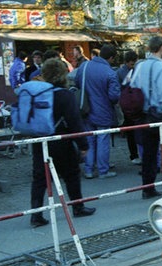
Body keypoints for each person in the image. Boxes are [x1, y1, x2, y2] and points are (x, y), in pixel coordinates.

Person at [29, 58, 96, 227]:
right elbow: (74, 121)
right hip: (60, 141)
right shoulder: (64, 94)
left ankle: (35, 215)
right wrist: (83, 145)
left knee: (40, 179)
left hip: (39, 140)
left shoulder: (37, 92)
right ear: (62, 74)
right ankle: (77, 207)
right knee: (72, 174)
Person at [130, 35, 162, 199]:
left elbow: (133, 86)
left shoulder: (140, 66)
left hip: (142, 114)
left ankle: (147, 186)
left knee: (148, 153)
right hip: (158, 114)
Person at [75, 44, 121, 180]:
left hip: (85, 110)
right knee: (103, 140)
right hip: (103, 111)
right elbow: (114, 96)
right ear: (111, 57)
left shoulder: (84, 66)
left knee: (89, 139)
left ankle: (88, 169)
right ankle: (103, 170)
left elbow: (77, 83)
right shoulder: (110, 72)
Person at [116, 50, 141, 165]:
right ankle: (134, 155)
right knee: (130, 132)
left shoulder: (136, 70)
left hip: (135, 104)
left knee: (138, 131)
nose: (133, 65)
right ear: (126, 62)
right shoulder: (120, 73)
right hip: (126, 105)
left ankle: (138, 153)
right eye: (131, 63)